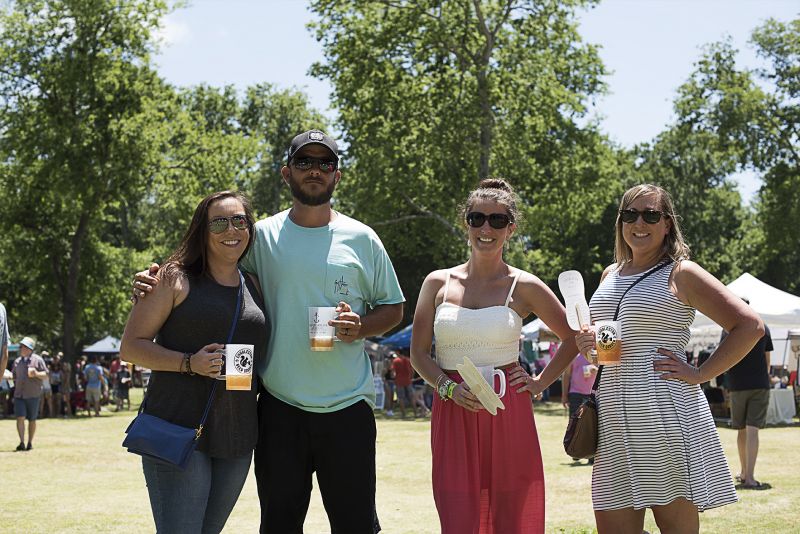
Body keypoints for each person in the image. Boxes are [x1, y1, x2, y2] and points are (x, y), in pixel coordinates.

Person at [133, 130, 405, 534]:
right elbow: (210, 262)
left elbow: (395, 308)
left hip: (348, 406)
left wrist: (362, 326)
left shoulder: (363, 238)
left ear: (337, 176)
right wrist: (152, 279)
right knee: (278, 525)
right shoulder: (261, 236)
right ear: (286, 173)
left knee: (356, 525)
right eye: (304, 163)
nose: (315, 170)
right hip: (279, 407)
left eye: (325, 164)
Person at [532, 184, 764, 533]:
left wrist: (700, 373)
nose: (639, 223)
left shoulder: (681, 273)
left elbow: (750, 326)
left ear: (667, 223)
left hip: (664, 413)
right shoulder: (611, 274)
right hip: (612, 415)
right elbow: (613, 345)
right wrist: (591, 344)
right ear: (620, 222)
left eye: (651, 215)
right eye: (630, 215)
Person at [410, 178, 577, 534]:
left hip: (507, 408)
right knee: (457, 514)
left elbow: (574, 337)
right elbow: (418, 354)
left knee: (512, 512)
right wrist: (447, 388)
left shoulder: (525, 285)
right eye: (477, 219)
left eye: (497, 221)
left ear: (511, 229)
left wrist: (539, 383)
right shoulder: (436, 283)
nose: (486, 228)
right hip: (453, 407)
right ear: (465, 223)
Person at [120, 190, 268, 533]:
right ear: (203, 230)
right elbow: (131, 347)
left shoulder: (255, 284)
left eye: (239, 220)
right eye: (219, 222)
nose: (231, 229)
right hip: (177, 426)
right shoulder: (173, 278)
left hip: (236, 434)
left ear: (249, 228)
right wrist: (190, 363)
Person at [721, 300, 773, 491]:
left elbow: (724, 357)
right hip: (759, 384)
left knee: (741, 430)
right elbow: (768, 362)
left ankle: (744, 473)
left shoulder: (727, 329)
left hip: (737, 385)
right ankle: (749, 476)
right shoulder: (763, 327)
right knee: (752, 430)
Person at [560, 352, 597, 463]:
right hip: (575, 393)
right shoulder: (573, 356)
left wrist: (595, 369)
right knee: (575, 424)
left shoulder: (596, 355)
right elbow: (566, 375)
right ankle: (575, 451)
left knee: (591, 425)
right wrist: (564, 395)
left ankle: (592, 456)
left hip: (591, 394)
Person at [12, 336, 48, 451]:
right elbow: (13, 376)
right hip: (19, 395)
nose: (21, 348)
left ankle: (29, 443)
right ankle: (22, 442)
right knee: (20, 417)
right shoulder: (17, 361)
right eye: (21, 346)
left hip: (33, 395)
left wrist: (36, 373)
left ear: (29, 348)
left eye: (23, 346)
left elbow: (46, 375)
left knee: (32, 419)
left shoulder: (38, 360)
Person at [391, 350, 414, 418]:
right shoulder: (408, 360)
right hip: (408, 380)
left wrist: (393, 377)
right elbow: (412, 370)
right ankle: (415, 412)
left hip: (399, 381)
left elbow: (393, 372)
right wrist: (410, 378)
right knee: (411, 397)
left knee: (400, 398)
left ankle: (403, 414)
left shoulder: (396, 361)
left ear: (398, 352)